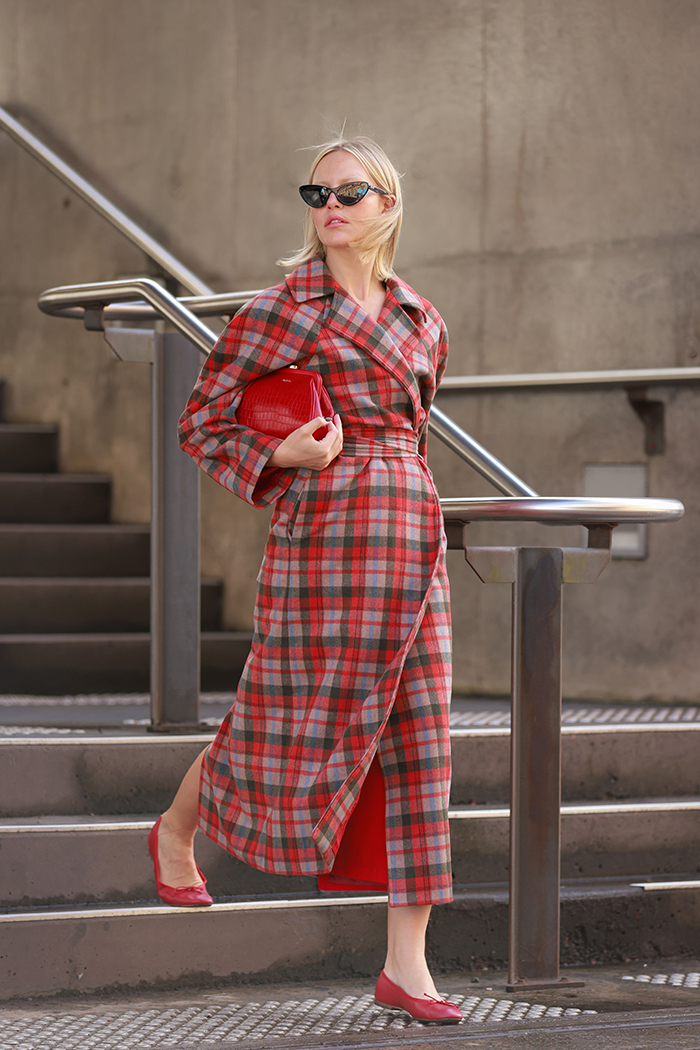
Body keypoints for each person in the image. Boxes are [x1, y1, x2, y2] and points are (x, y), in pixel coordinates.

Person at [148, 135, 461, 1025]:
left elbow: (416, 433)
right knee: (283, 715)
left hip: (412, 536)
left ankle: (407, 965)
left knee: (421, 740)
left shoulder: (422, 318)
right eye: (317, 193)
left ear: (387, 204)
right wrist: (279, 456)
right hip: (326, 536)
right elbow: (202, 420)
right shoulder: (283, 308)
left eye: (350, 193)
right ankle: (177, 828)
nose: (331, 207)